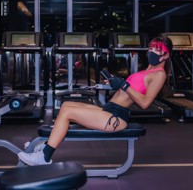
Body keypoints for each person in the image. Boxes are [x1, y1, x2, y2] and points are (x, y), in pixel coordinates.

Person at [18, 34, 173, 165]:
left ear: (166, 55)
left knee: (68, 113)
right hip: (110, 109)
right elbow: (128, 91)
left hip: (117, 117)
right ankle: (46, 145)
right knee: (66, 105)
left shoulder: (159, 74)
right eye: (152, 47)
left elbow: (145, 103)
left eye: (158, 49)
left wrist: (124, 85)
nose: (152, 51)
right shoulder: (146, 70)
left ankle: (44, 157)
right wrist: (115, 82)